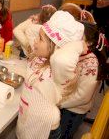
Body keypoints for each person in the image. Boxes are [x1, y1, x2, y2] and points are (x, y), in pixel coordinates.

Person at [16, 11, 85, 139]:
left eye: (40, 39)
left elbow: (61, 59)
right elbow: (30, 30)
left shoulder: (58, 69)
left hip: (46, 129)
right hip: (27, 118)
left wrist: (78, 44)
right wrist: (41, 25)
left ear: (56, 47)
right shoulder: (38, 56)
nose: (35, 39)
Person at [57, 21, 108, 138]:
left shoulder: (91, 63)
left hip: (73, 110)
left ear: (89, 42)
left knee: (62, 135)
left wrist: (59, 103)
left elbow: (83, 96)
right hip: (64, 103)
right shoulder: (73, 53)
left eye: (78, 36)